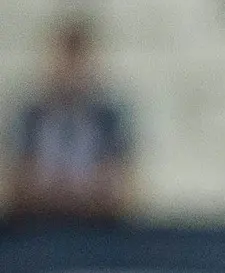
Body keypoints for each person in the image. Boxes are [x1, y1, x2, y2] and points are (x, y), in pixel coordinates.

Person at [5, 19, 135, 223]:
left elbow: (122, 190)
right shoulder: (31, 117)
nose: (71, 70)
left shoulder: (108, 119)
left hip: (96, 228)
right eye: (65, 59)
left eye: (78, 61)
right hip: (38, 227)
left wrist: (77, 193)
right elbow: (16, 185)